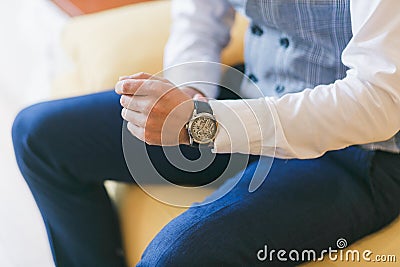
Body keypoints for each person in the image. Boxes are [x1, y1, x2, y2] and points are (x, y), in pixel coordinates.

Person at [12, 0, 400, 266]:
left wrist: (206, 123)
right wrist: (189, 94)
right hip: (254, 89)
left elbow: (380, 101)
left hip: (360, 149)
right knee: (38, 137)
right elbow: (197, 16)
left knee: (176, 256)